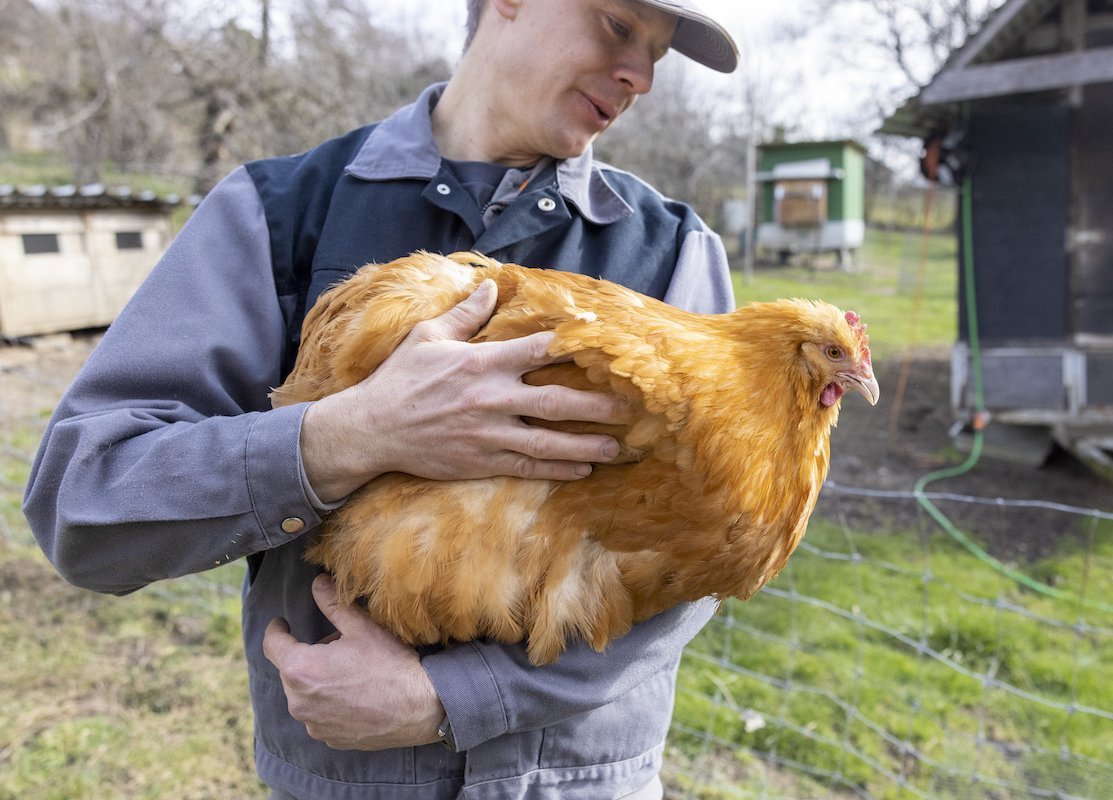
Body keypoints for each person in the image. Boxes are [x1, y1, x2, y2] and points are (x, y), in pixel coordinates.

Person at [23, 0, 738, 797]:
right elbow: (83, 504)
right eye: (616, 25)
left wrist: (453, 699)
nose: (639, 75)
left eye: (657, 53)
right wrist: (351, 437)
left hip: (575, 784)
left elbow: (701, 561)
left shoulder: (669, 254)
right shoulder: (283, 211)